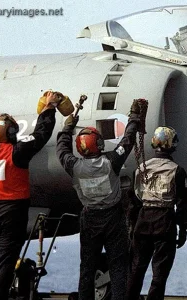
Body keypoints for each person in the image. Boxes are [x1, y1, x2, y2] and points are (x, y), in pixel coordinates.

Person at [56, 99, 145, 300]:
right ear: (99, 144)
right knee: (118, 266)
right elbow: (127, 141)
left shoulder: (74, 166)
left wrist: (67, 127)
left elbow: (61, 150)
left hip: (89, 219)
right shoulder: (110, 162)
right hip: (113, 218)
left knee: (87, 267)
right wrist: (134, 118)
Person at [0, 91, 60, 300]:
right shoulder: (17, 152)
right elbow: (41, 135)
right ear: (13, 132)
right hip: (12, 211)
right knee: (5, 260)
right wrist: (48, 109)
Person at [126, 126, 187, 300]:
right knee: (159, 274)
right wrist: (183, 229)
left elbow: (133, 200)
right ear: (172, 145)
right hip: (165, 222)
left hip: (143, 220)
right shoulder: (177, 171)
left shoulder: (140, 168)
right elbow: (182, 204)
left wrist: (132, 226)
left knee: (136, 269)